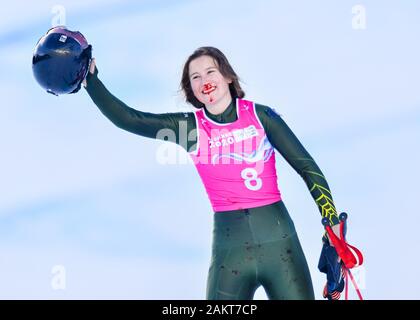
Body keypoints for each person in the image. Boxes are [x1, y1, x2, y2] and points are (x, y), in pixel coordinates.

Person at [83, 46, 341, 300]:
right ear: (191, 90)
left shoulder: (262, 116)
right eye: (195, 77)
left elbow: (307, 167)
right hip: (231, 254)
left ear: (228, 76)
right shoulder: (190, 129)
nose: (204, 80)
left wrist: (332, 223)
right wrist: (91, 83)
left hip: (281, 246)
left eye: (210, 71)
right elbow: (131, 119)